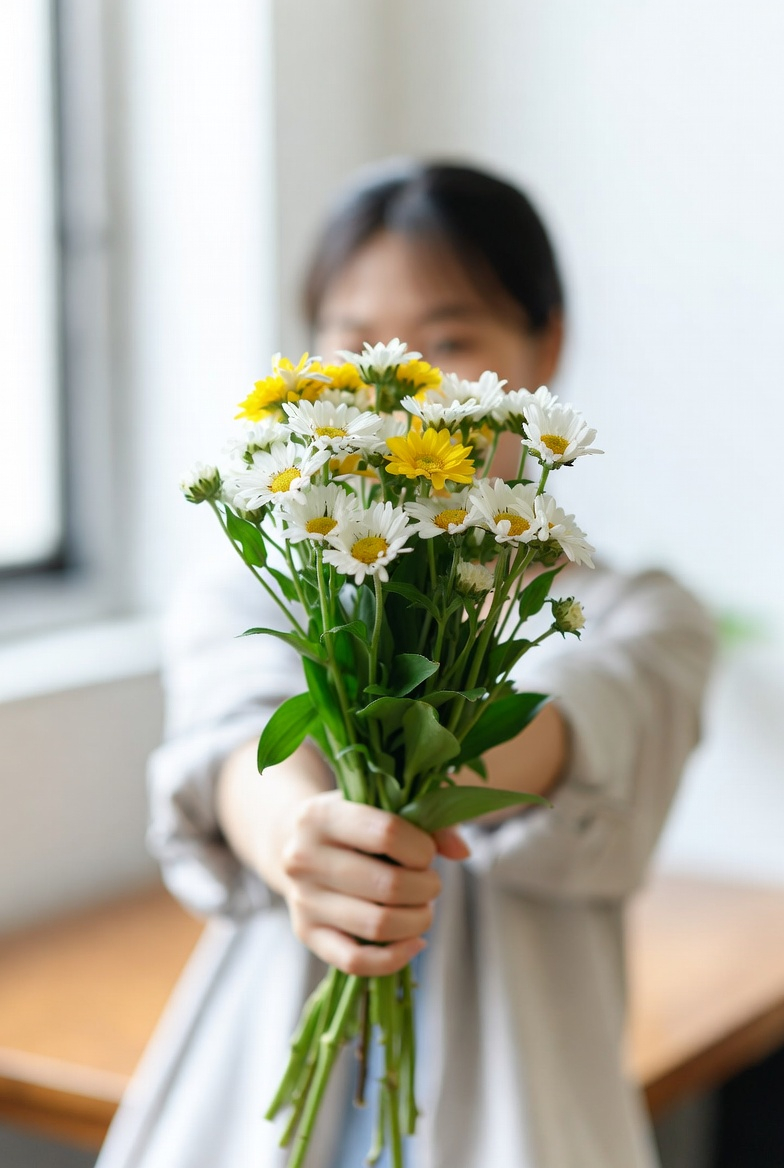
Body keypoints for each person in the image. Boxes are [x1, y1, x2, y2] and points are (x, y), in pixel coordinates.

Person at [95, 161, 715, 1168]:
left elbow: (575, 727)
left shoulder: (640, 614)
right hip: (255, 1105)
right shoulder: (258, 581)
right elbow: (231, 739)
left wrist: (405, 786)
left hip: (531, 1117)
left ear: (542, 345)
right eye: (355, 345)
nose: (407, 392)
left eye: (451, 340)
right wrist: (300, 831)